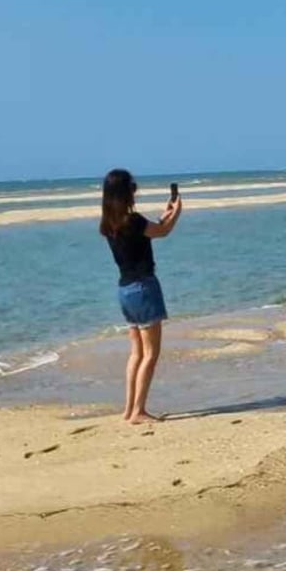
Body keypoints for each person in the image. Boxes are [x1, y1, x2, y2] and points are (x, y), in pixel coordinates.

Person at [99, 169, 182, 423]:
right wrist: (177, 212)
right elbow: (163, 232)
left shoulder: (109, 224)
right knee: (150, 354)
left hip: (125, 290)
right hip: (144, 288)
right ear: (127, 192)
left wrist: (164, 216)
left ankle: (129, 409)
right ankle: (139, 411)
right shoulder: (133, 220)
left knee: (136, 353)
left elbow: (153, 229)